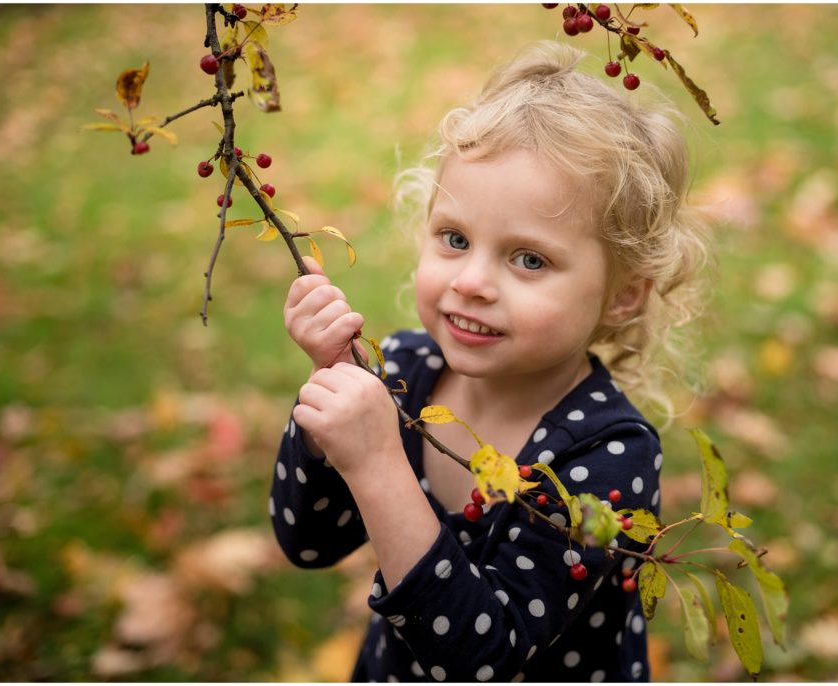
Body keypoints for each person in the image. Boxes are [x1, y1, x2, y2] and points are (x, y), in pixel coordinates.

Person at [269, 40, 710, 682]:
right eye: (455, 238)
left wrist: (377, 460)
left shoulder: (608, 455)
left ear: (622, 295)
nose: (472, 280)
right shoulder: (402, 370)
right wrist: (330, 391)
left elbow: (489, 660)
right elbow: (309, 541)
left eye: (529, 259)